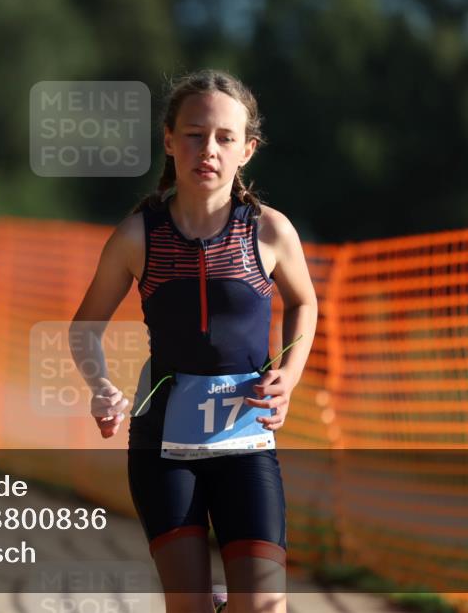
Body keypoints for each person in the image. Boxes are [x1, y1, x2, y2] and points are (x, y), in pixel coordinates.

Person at [70, 70, 317, 613]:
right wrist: (101, 385)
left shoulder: (270, 231)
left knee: (265, 605)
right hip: (163, 445)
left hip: (244, 441)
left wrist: (290, 378)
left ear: (247, 150)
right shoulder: (139, 235)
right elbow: (86, 324)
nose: (209, 149)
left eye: (225, 137)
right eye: (194, 134)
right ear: (168, 140)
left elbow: (304, 302)